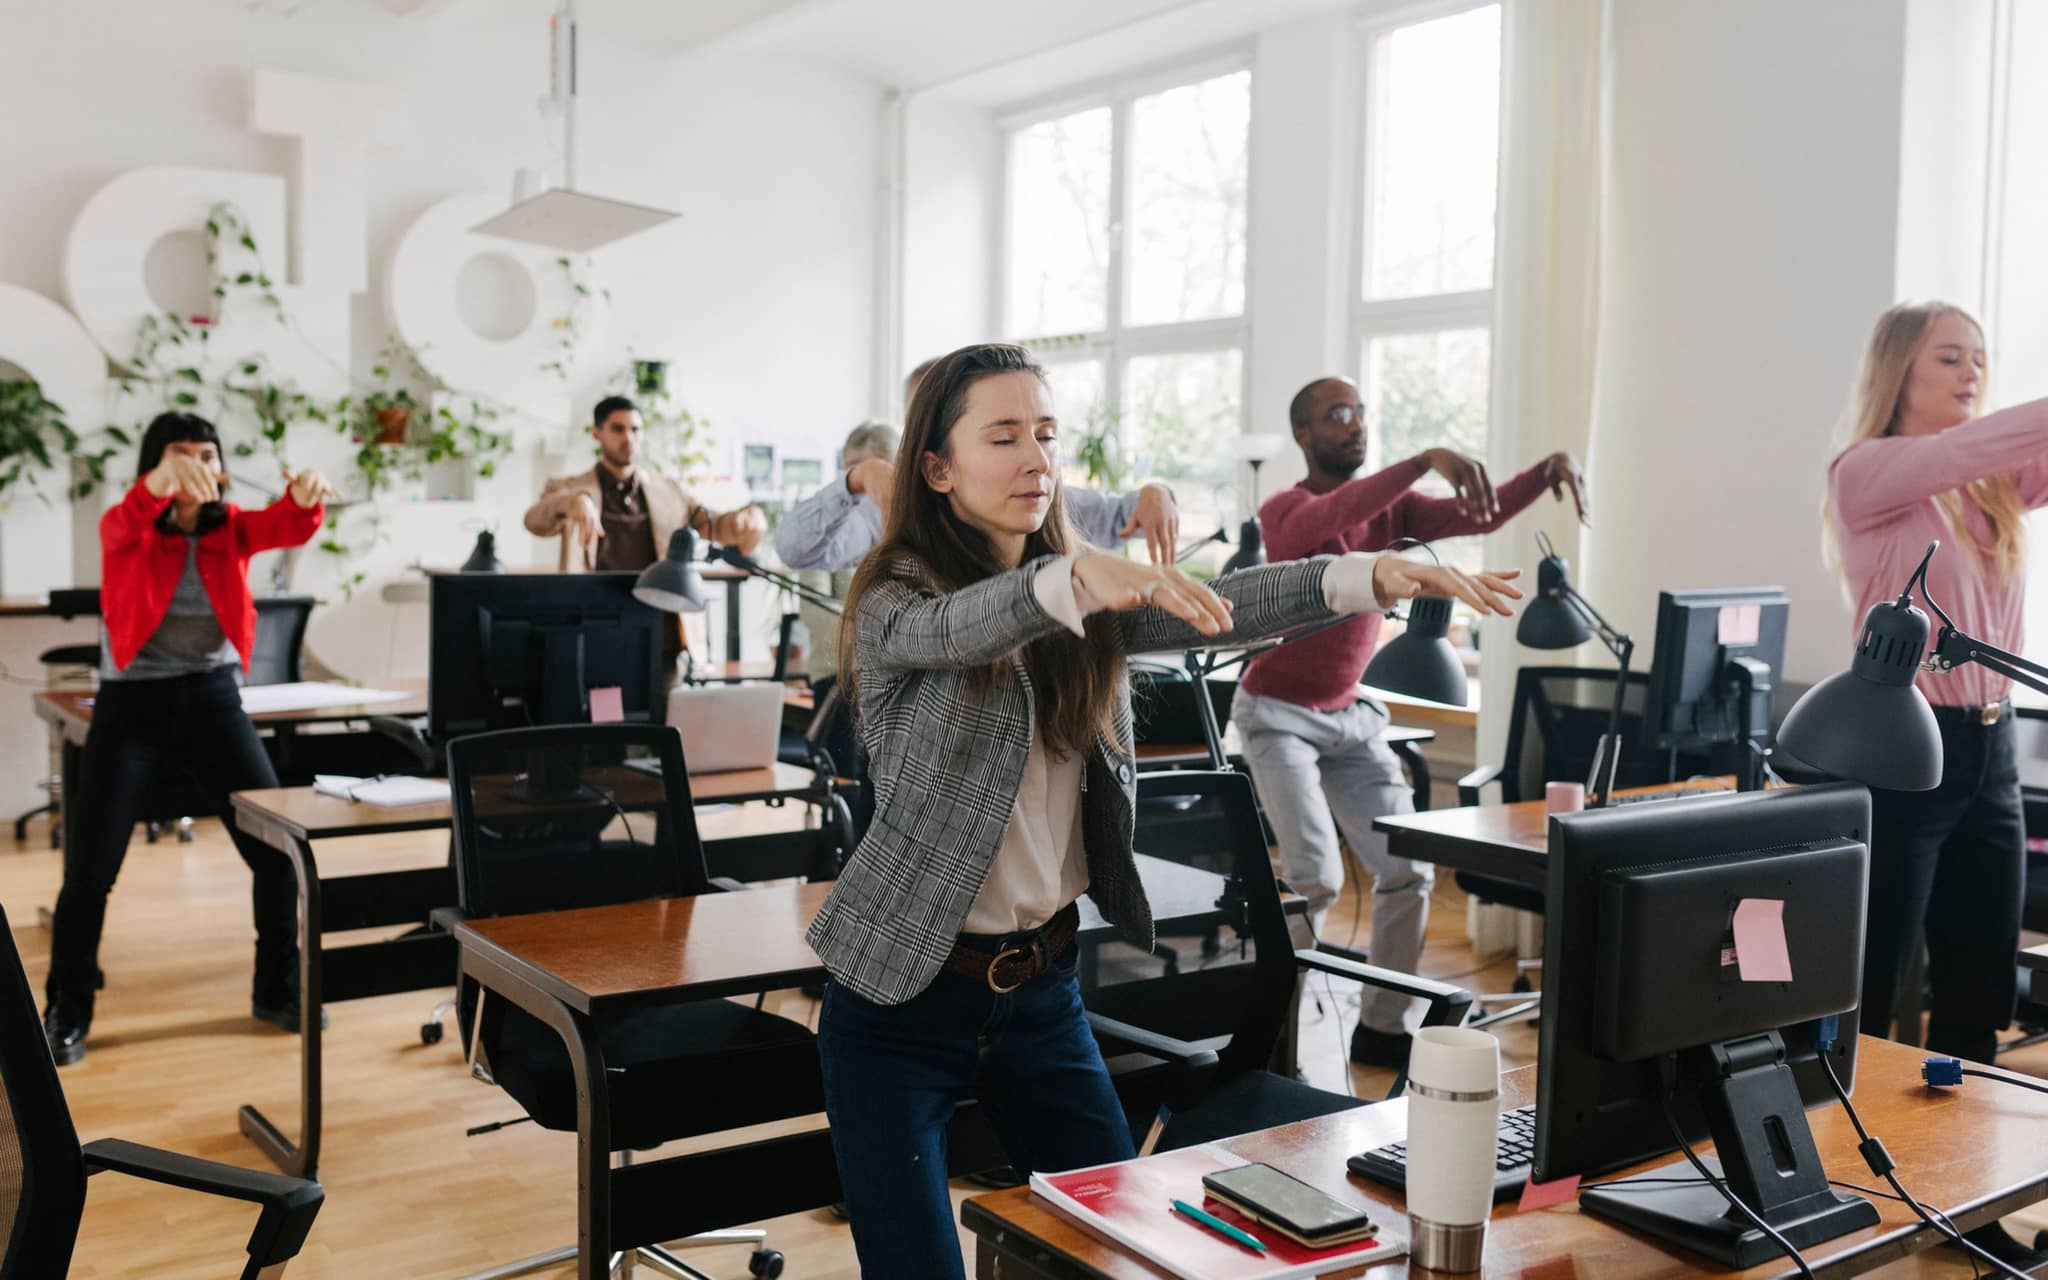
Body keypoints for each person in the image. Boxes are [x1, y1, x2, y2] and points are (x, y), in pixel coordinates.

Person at [807, 343, 1521, 1277]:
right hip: (898, 998)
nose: (1037, 459)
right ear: (938, 469)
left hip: (1039, 992)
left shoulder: (1083, 597)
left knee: (1117, 1251)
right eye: (1005, 436)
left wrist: (1369, 577)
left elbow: (1217, 604)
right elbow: (959, 629)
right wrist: (1072, 580)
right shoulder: (895, 598)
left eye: (1047, 435)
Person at [1234, 375, 1589, 1069]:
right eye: (1338, 414)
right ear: (1303, 433)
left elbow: (1478, 515)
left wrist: (1543, 472)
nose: (1355, 424)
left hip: (1349, 713)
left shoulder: (1393, 510)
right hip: (1276, 714)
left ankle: (1382, 1027)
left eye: (1361, 412)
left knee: (1407, 870)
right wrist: (1424, 459)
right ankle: (1271, 1038)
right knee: (1315, 878)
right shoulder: (1285, 510)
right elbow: (1330, 518)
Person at [41, 412, 335, 1066]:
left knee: (276, 850)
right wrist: (157, 487)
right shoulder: (126, 524)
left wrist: (305, 497)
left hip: (212, 699)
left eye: (206, 454)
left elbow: (286, 524)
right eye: (180, 453)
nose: (196, 464)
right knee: (90, 872)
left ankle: (277, 988)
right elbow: (122, 521)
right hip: (131, 704)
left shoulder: (232, 528)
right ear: (155, 463)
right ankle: (66, 1011)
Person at [1826, 301, 2048, 1067]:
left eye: (1979, 358)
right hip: (1903, 745)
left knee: (1981, 977)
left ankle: (1964, 1129)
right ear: (1898, 372)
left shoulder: (1987, 488)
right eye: (1950, 358)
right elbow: (1966, 447)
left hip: (1992, 746)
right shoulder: (1864, 470)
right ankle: (1852, 1121)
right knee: (1872, 973)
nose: (1971, 372)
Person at [524, 395, 767, 696]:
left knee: (663, 717)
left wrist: (748, 518)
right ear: (597, 433)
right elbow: (534, 520)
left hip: (661, 633)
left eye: (635, 429)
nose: (628, 438)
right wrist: (571, 502)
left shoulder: (669, 490)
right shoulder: (570, 488)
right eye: (618, 429)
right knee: (605, 717)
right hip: (597, 634)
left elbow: (713, 525)